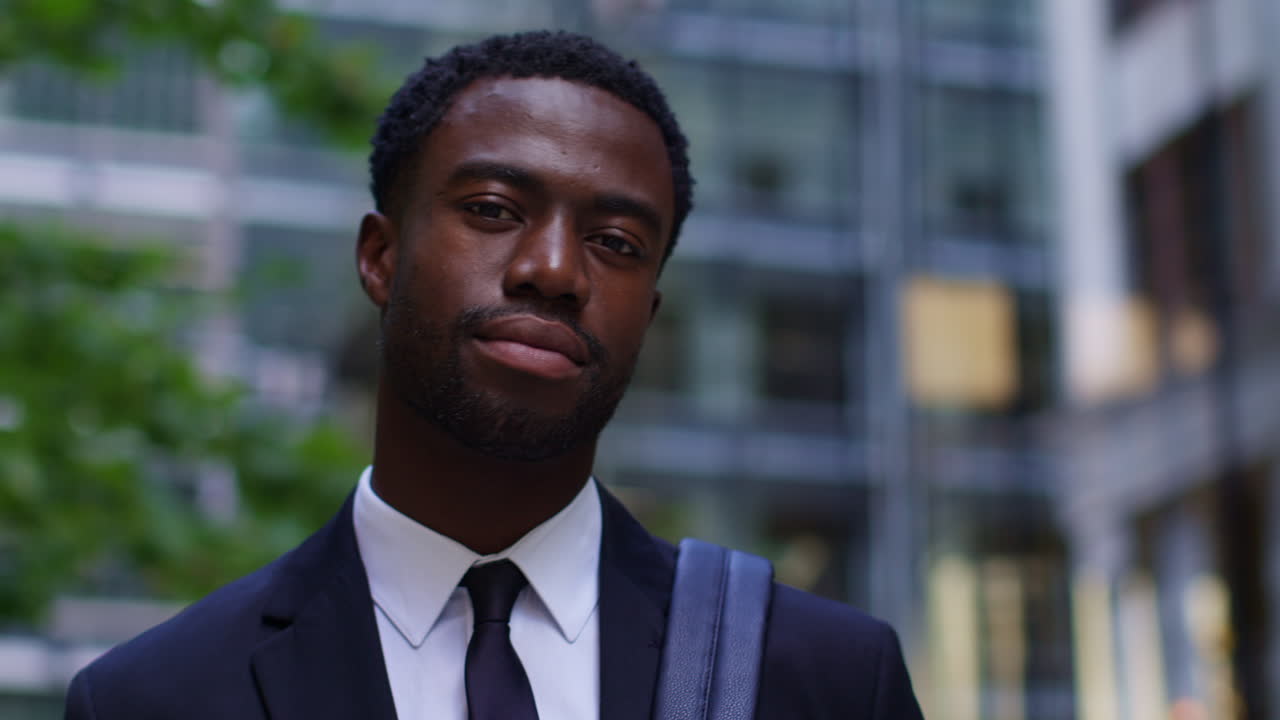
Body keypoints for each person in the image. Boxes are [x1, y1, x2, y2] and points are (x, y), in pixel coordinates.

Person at [64, 31, 924, 720]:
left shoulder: (828, 680)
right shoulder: (155, 698)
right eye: (492, 211)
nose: (553, 269)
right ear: (380, 256)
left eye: (616, 244)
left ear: (650, 317)